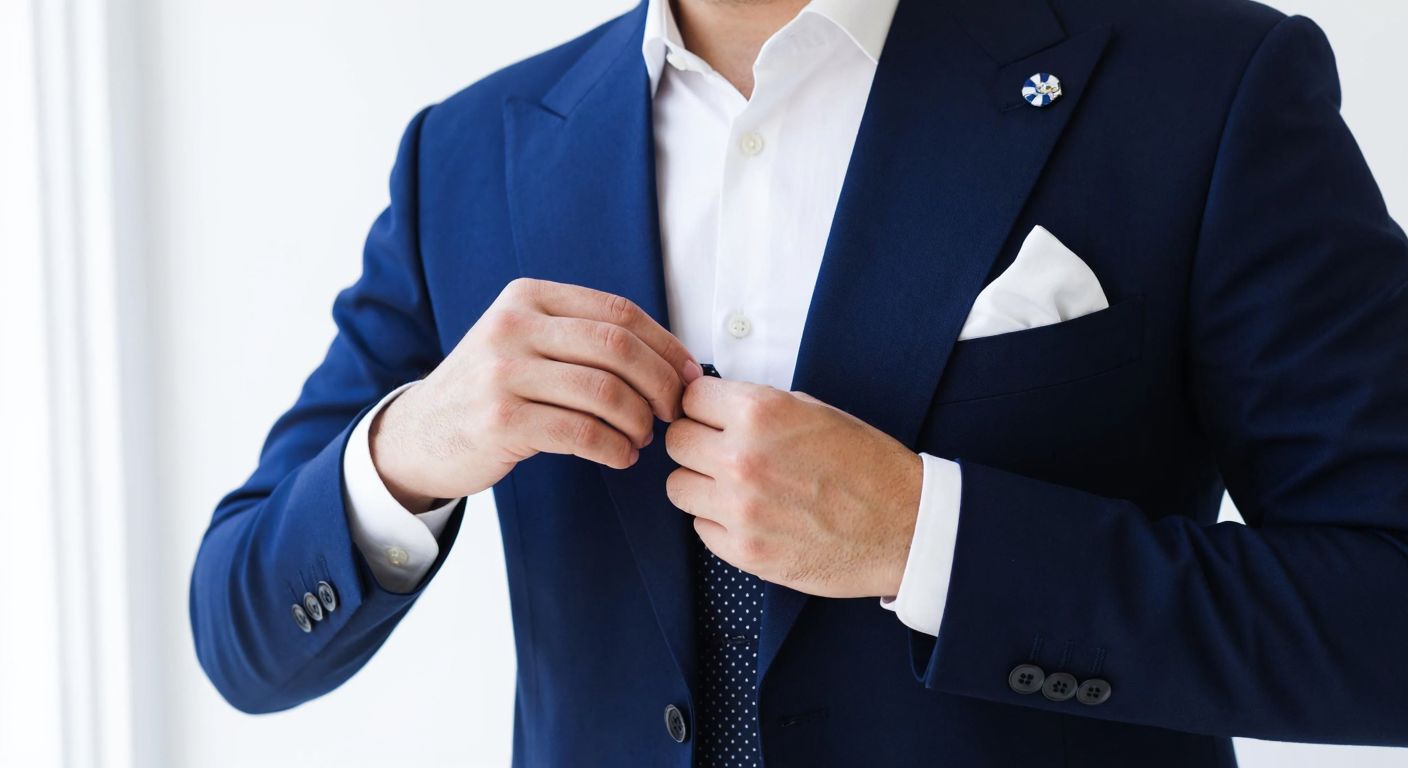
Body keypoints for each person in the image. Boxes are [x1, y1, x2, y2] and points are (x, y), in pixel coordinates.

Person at [189, 0, 1408, 765]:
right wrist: (409, 448)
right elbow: (242, 633)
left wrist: (927, 539)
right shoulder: (470, 152)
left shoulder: (1201, 85)